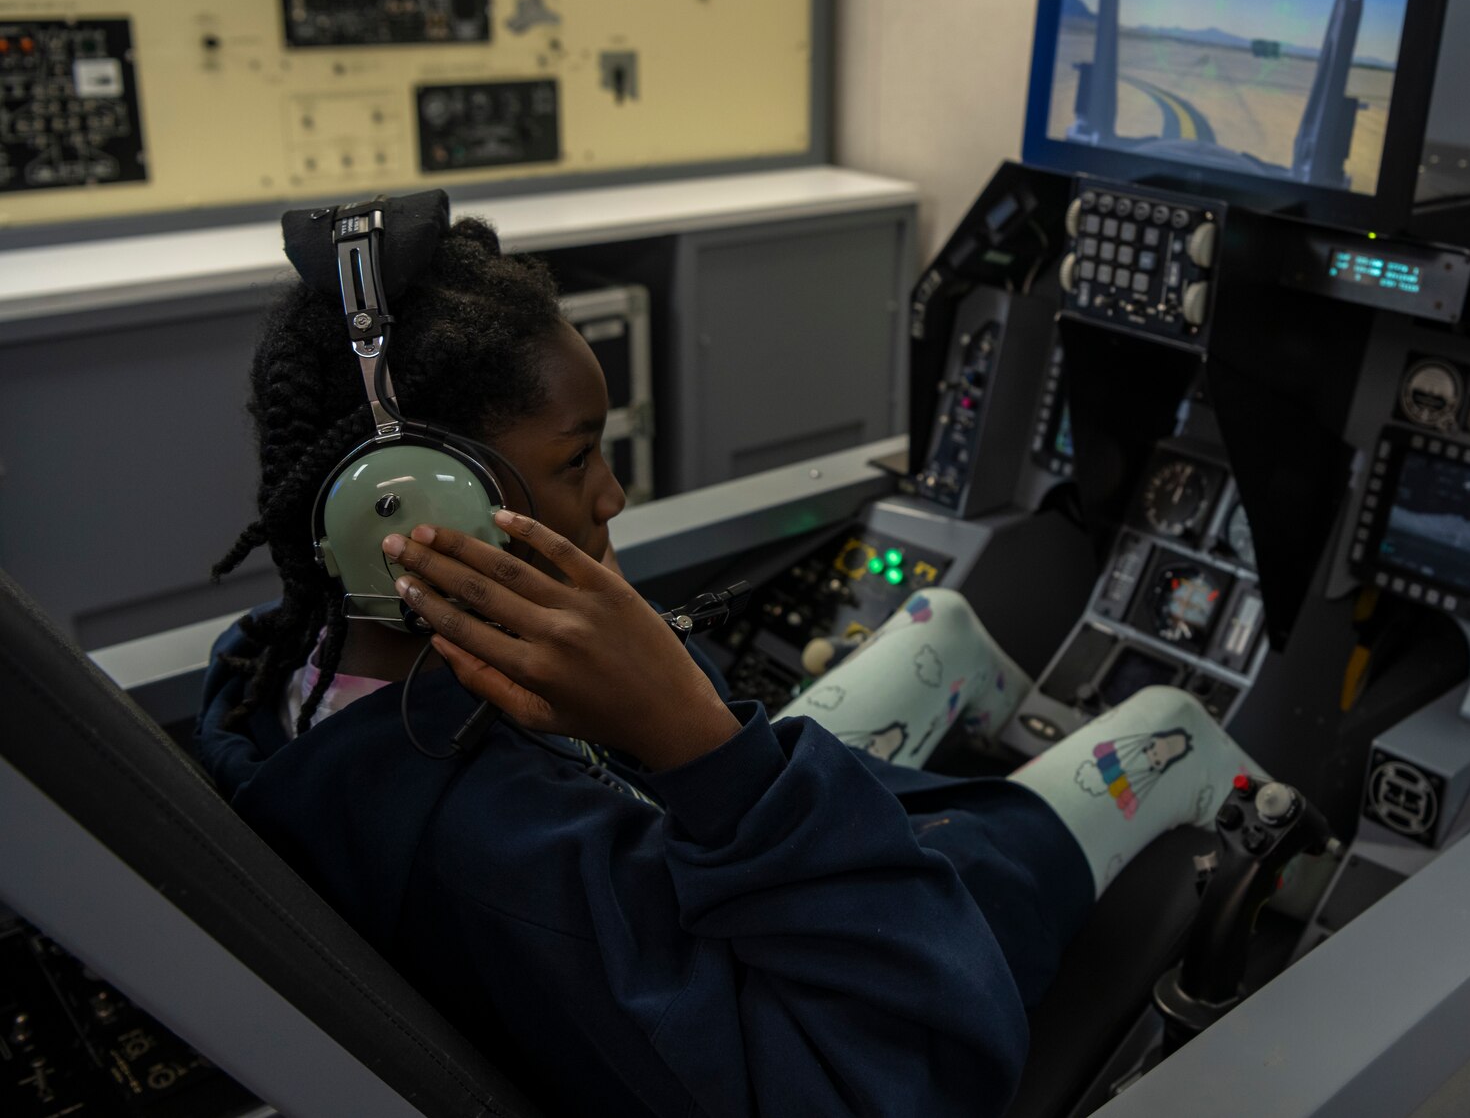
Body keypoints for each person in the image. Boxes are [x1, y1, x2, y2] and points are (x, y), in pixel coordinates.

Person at [195, 215, 1255, 1117]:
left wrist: (681, 728)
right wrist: (697, 741)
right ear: (416, 508)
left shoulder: (293, 679)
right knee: (1169, 717)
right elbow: (882, 1077)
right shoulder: (507, 866)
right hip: (901, 954)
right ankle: (1298, 866)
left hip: (768, 872)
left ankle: (990, 717)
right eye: (577, 459)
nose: (610, 497)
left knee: (935, 625)